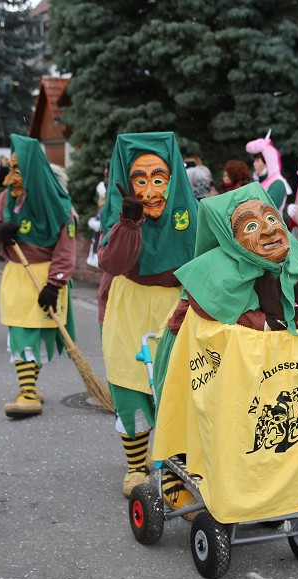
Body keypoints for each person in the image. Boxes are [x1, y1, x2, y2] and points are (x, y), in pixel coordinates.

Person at [153, 184, 298, 515]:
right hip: (211, 367)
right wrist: (266, 320)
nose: (267, 228)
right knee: (205, 425)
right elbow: (210, 310)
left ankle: (269, 484)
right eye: (251, 226)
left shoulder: (295, 256)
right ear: (229, 236)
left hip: (272, 372)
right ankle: (177, 476)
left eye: (270, 218)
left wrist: (295, 315)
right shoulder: (212, 268)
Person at [98, 132, 198, 497]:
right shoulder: (118, 214)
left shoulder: (193, 213)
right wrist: (129, 223)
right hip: (130, 304)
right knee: (130, 385)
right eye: (140, 180)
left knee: (177, 389)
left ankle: (174, 472)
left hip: (177, 304)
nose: (151, 190)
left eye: (159, 179)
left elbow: (205, 261)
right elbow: (113, 261)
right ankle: (136, 466)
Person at [0, 134, 76, 418]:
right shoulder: (4, 199)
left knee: (42, 335)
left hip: (47, 275)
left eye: (19, 168)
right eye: (11, 168)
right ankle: (26, 392)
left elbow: (66, 246)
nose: (13, 175)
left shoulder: (58, 204)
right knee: (22, 331)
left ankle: (30, 386)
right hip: (18, 274)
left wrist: (55, 283)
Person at [245, 132, 293, 216]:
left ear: (267, 162)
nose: (254, 164)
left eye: (257, 161)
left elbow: (268, 209)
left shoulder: (278, 183)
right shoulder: (260, 181)